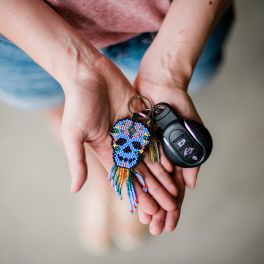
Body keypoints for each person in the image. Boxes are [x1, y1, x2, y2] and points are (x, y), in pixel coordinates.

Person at [0, 0, 234, 253]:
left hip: (180, 27)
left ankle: (118, 190)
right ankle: (101, 184)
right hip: (25, 33)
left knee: (85, 119)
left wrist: (170, 68)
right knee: (66, 115)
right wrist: (78, 69)